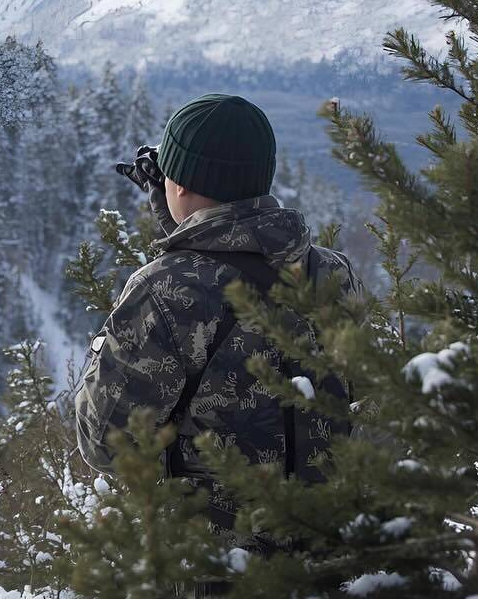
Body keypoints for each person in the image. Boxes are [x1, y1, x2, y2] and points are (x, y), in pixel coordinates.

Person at [73, 93, 362, 593]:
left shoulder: (162, 291)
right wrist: (180, 231)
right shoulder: (331, 272)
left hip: (213, 570)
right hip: (330, 562)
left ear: (177, 182)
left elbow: (104, 443)